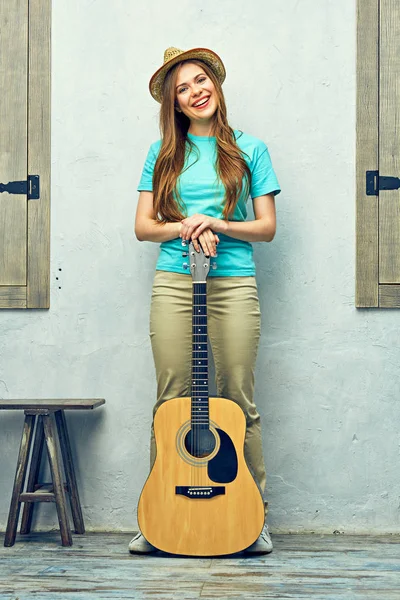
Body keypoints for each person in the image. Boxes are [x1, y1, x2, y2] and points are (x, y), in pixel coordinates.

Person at [129, 46, 281, 555]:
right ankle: (158, 516)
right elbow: (143, 228)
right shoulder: (161, 155)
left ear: (215, 83)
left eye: (201, 81)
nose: (196, 92)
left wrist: (213, 221)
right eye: (183, 89)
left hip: (233, 282)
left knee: (238, 395)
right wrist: (186, 226)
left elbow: (265, 228)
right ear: (174, 105)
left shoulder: (249, 148)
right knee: (171, 398)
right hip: (176, 280)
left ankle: (253, 515)